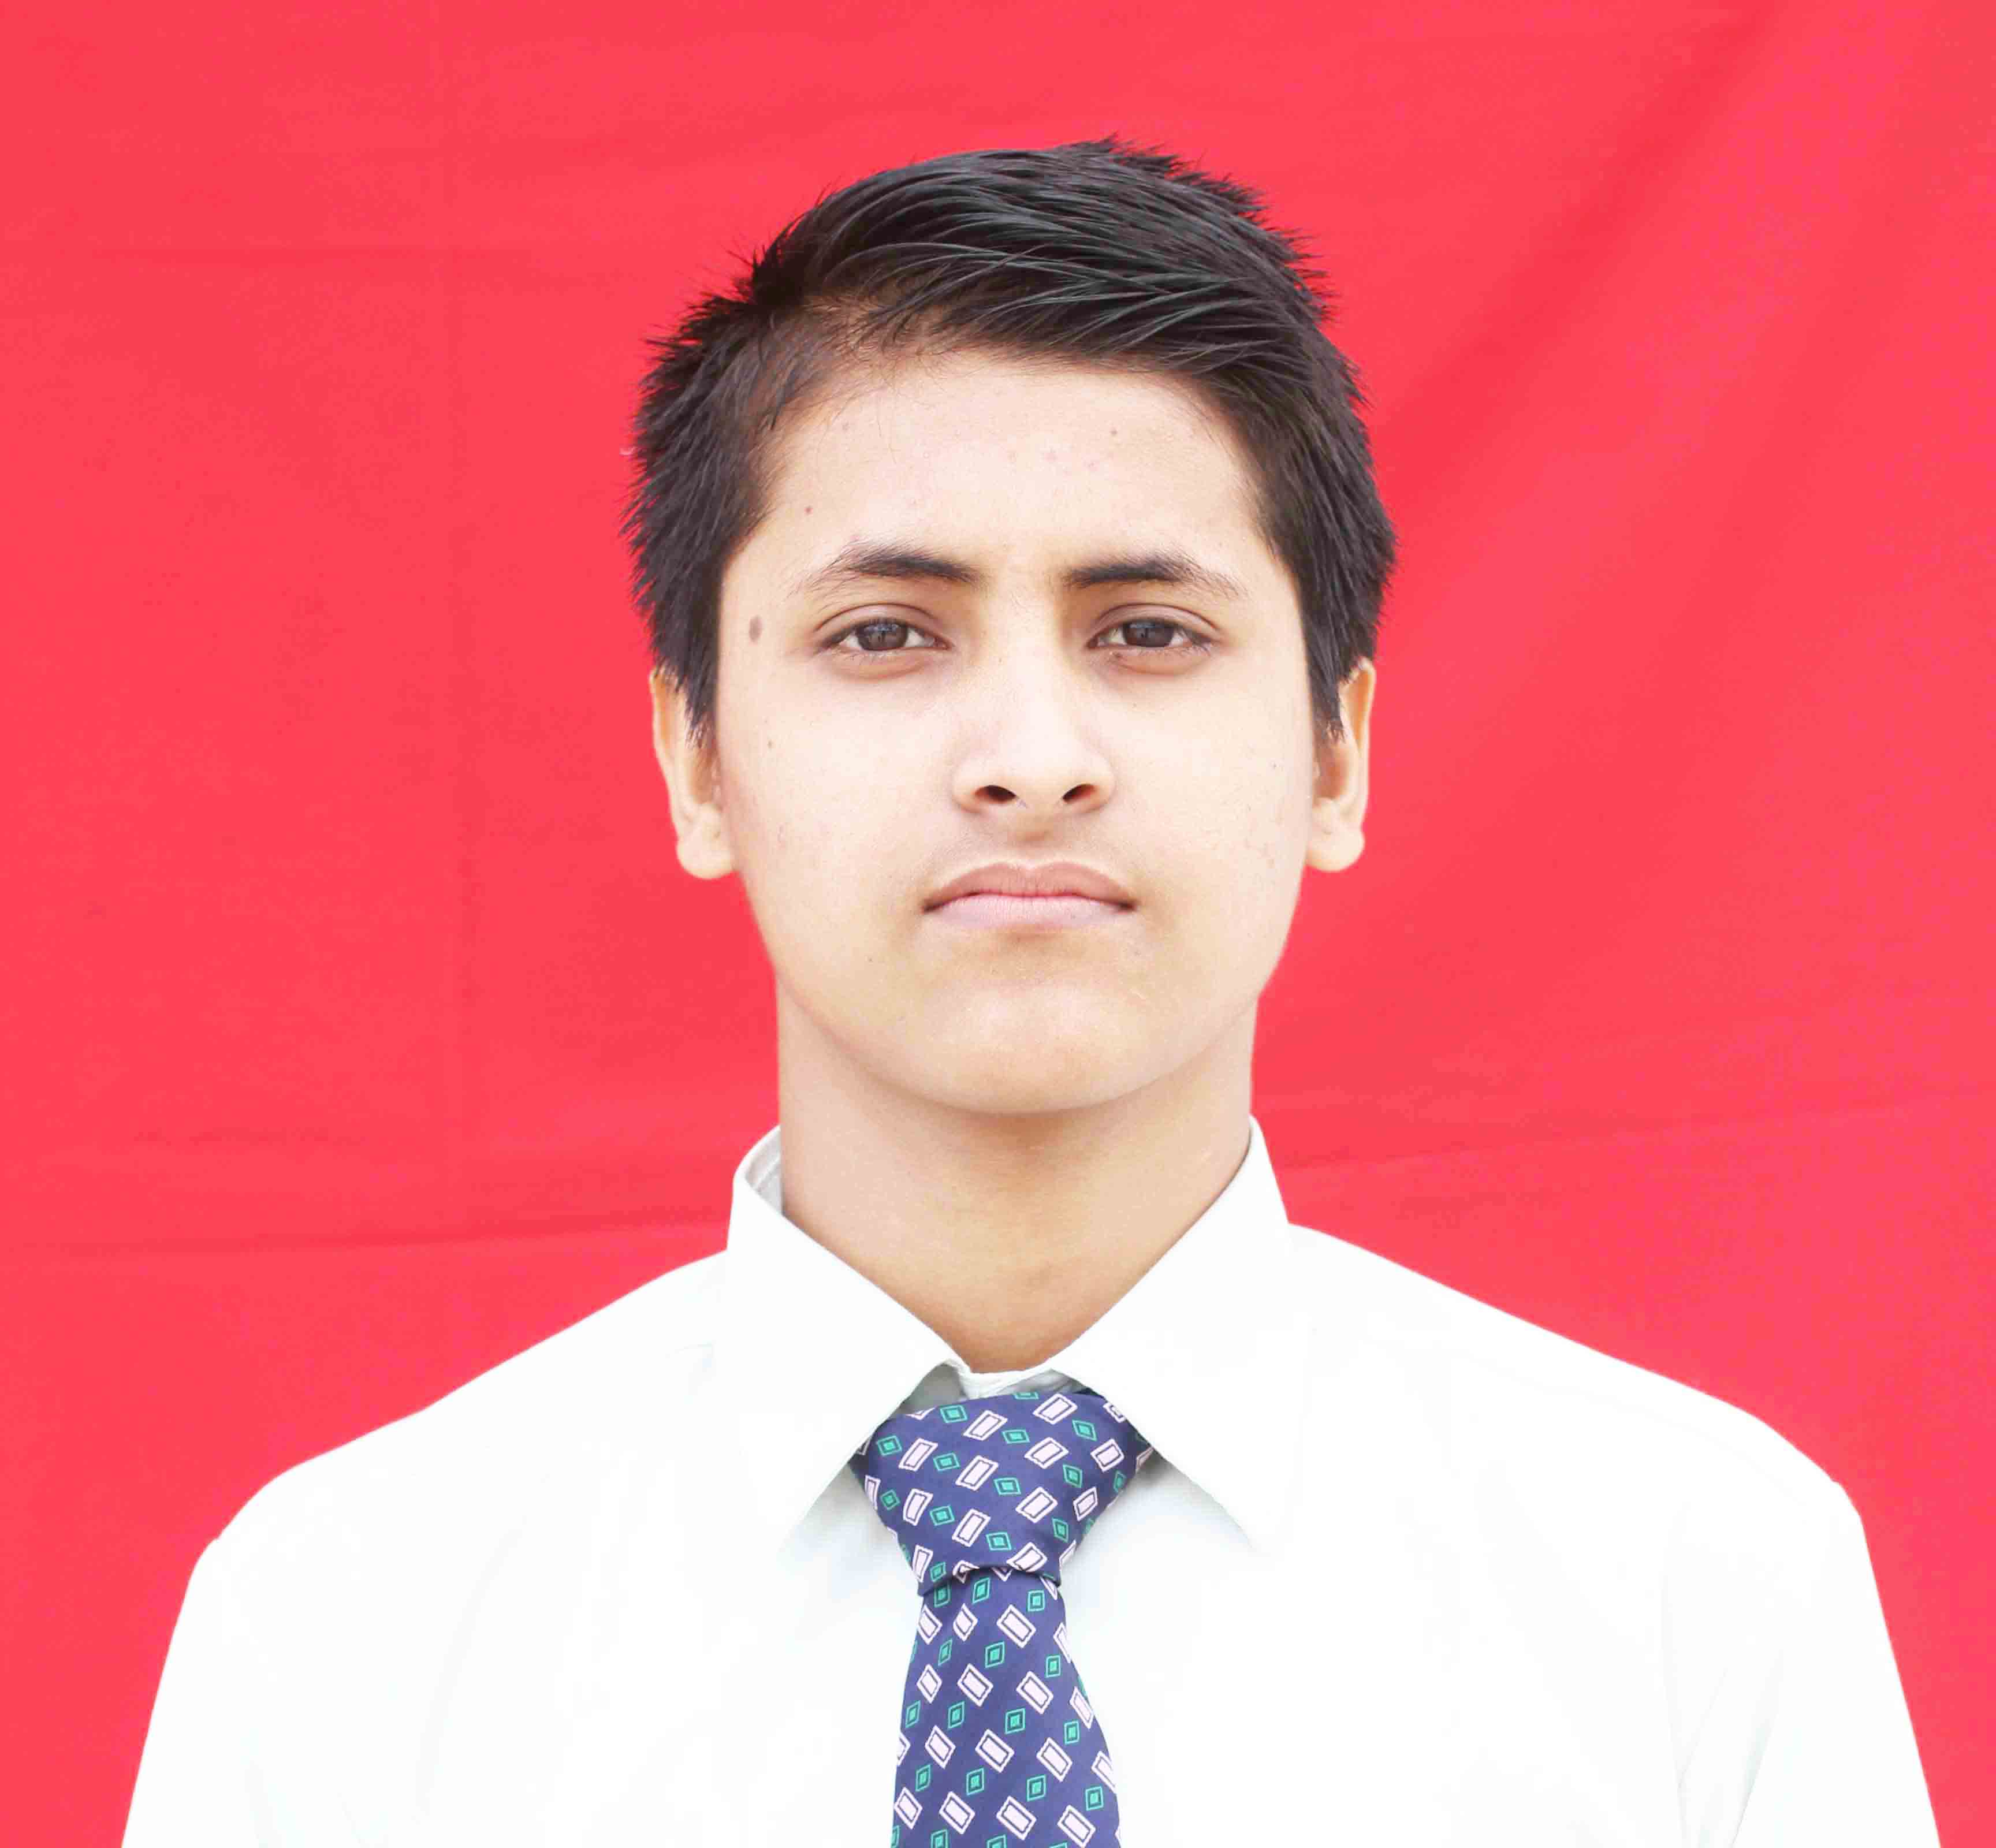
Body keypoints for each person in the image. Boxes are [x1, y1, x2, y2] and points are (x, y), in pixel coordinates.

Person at [122, 136, 1939, 1847]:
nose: (1030, 756)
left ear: (1336, 755)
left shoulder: (1699, 1587)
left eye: (1147, 632)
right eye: (884, 634)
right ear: (697, 757)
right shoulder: (349, 1620)